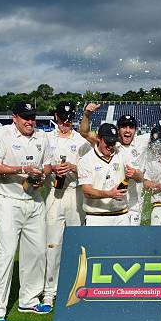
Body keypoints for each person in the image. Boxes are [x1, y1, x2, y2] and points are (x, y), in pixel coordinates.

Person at [0, 102, 53, 321]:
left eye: (32, 117)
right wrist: (21, 170)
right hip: (8, 203)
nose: (30, 122)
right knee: (5, 256)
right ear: (14, 117)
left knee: (37, 253)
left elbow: (47, 167)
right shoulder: (0, 134)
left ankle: (29, 300)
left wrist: (41, 176)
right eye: (25, 118)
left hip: (34, 201)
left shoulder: (42, 137)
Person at [42, 101, 90, 307]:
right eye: (63, 119)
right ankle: (48, 292)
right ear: (56, 117)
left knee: (76, 243)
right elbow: (39, 166)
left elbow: (91, 171)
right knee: (52, 244)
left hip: (75, 194)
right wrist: (52, 168)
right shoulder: (45, 138)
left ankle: (74, 287)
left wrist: (74, 168)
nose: (66, 124)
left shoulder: (81, 140)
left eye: (69, 120)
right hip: (54, 194)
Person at [80, 105, 148, 225]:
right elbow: (87, 191)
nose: (111, 145)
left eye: (131, 127)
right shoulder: (87, 159)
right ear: (99, 139)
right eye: (124, 127)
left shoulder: (122, 151)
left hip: (123, 212)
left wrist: (136, 174)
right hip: (97, 216)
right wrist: (87, 114)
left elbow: (140, 177)